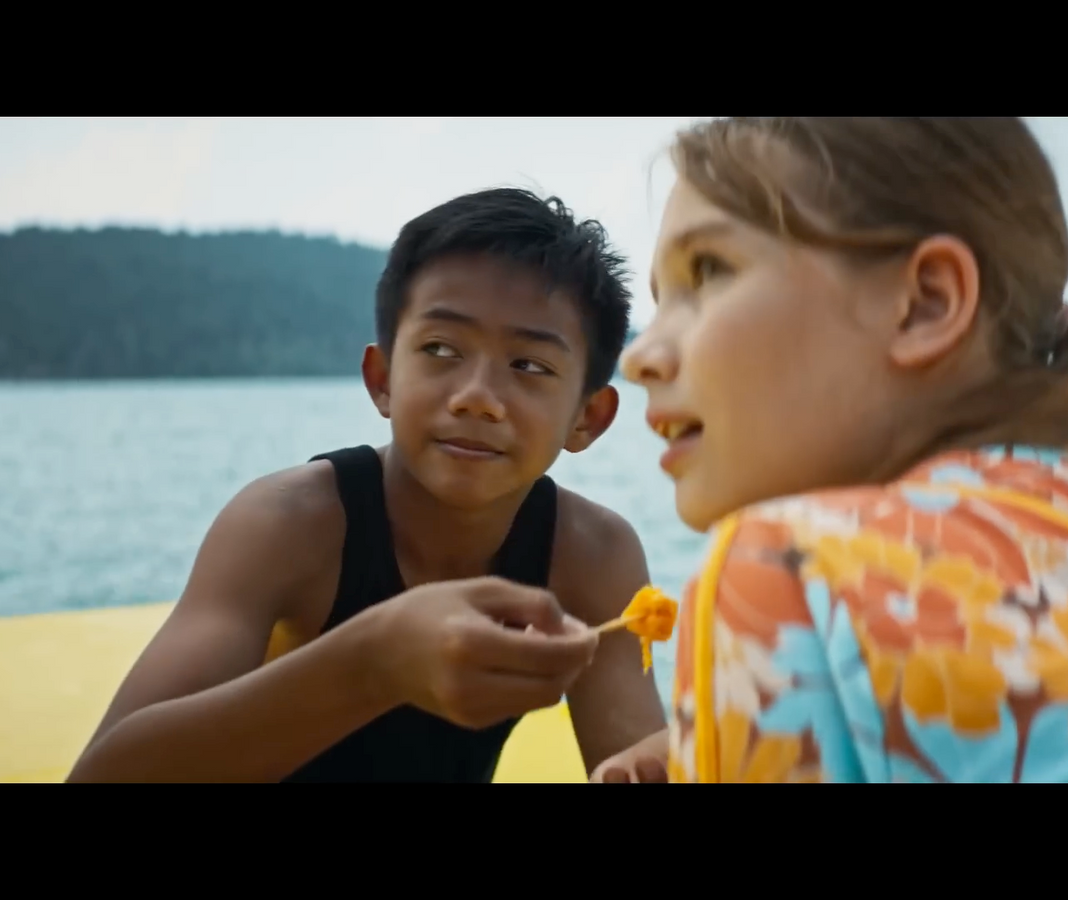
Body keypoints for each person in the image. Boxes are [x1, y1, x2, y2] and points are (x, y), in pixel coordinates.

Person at [591, 116, 1068, 783]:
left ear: (927, 302)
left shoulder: (791, 571)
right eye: (659, 298)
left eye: (709, 271)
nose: (644, 355)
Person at [67, 187, 667, 782]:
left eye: (529, 366)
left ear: (588, 417)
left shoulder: (592, 556)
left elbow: (633, 762)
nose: (477, 397)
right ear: (382, 380)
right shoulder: (288, 523)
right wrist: (375, 662)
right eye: (440, 349)